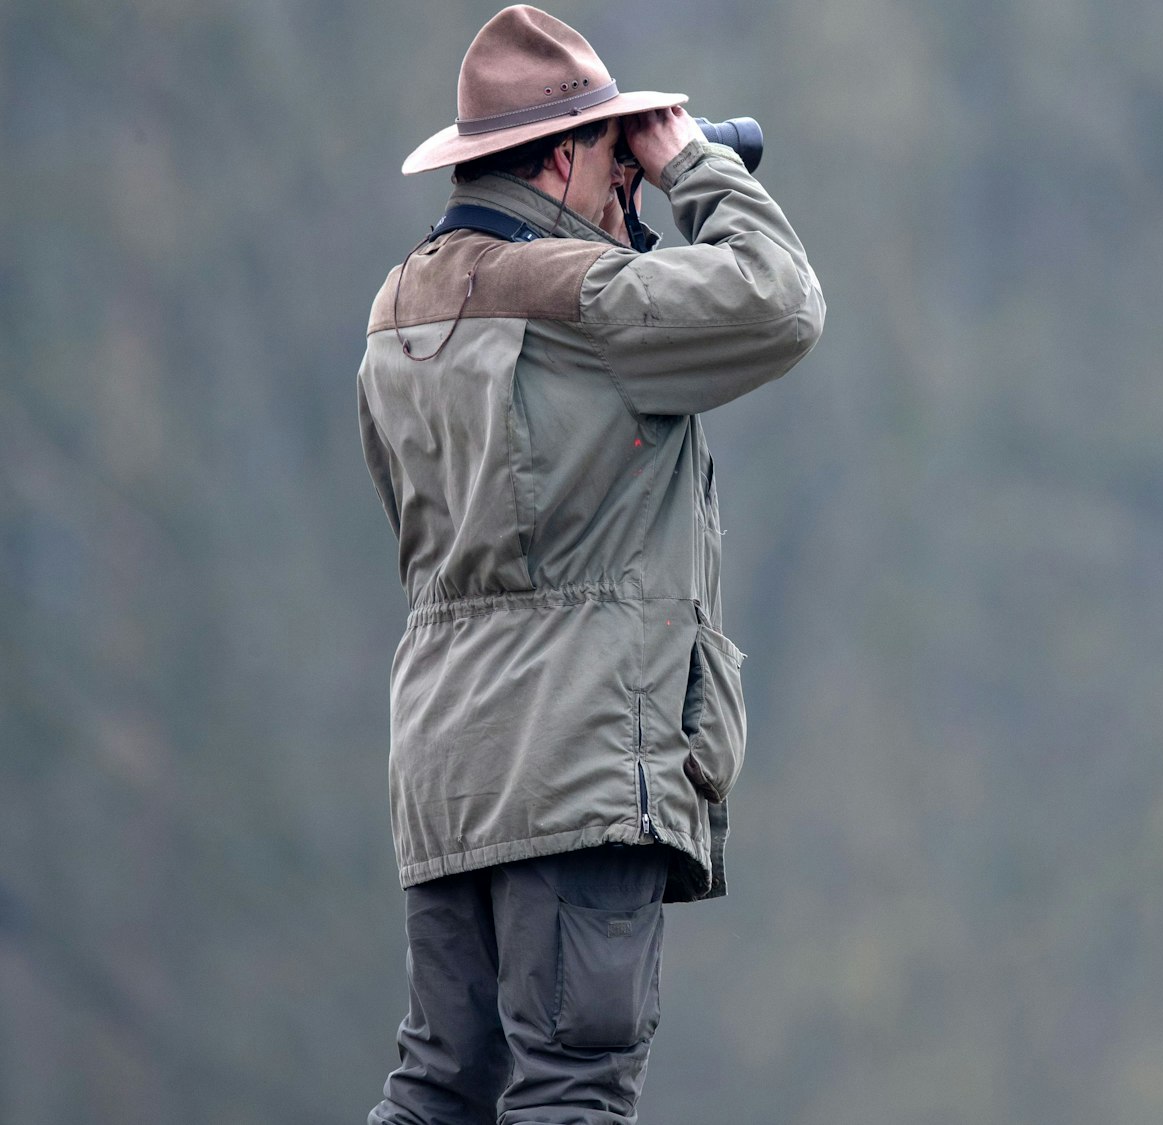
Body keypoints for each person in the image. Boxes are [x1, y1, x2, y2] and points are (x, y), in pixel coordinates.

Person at [353, 6, 823, 1122]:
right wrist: (695, 166)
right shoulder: (587, 301)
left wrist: (639, 177)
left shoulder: (396, 310)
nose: (631, 190)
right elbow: (779, 300)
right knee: (571, 1086)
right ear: (562, 157)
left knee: (440, 1084)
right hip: (577, 756)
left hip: (444, 766)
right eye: (619, 162)